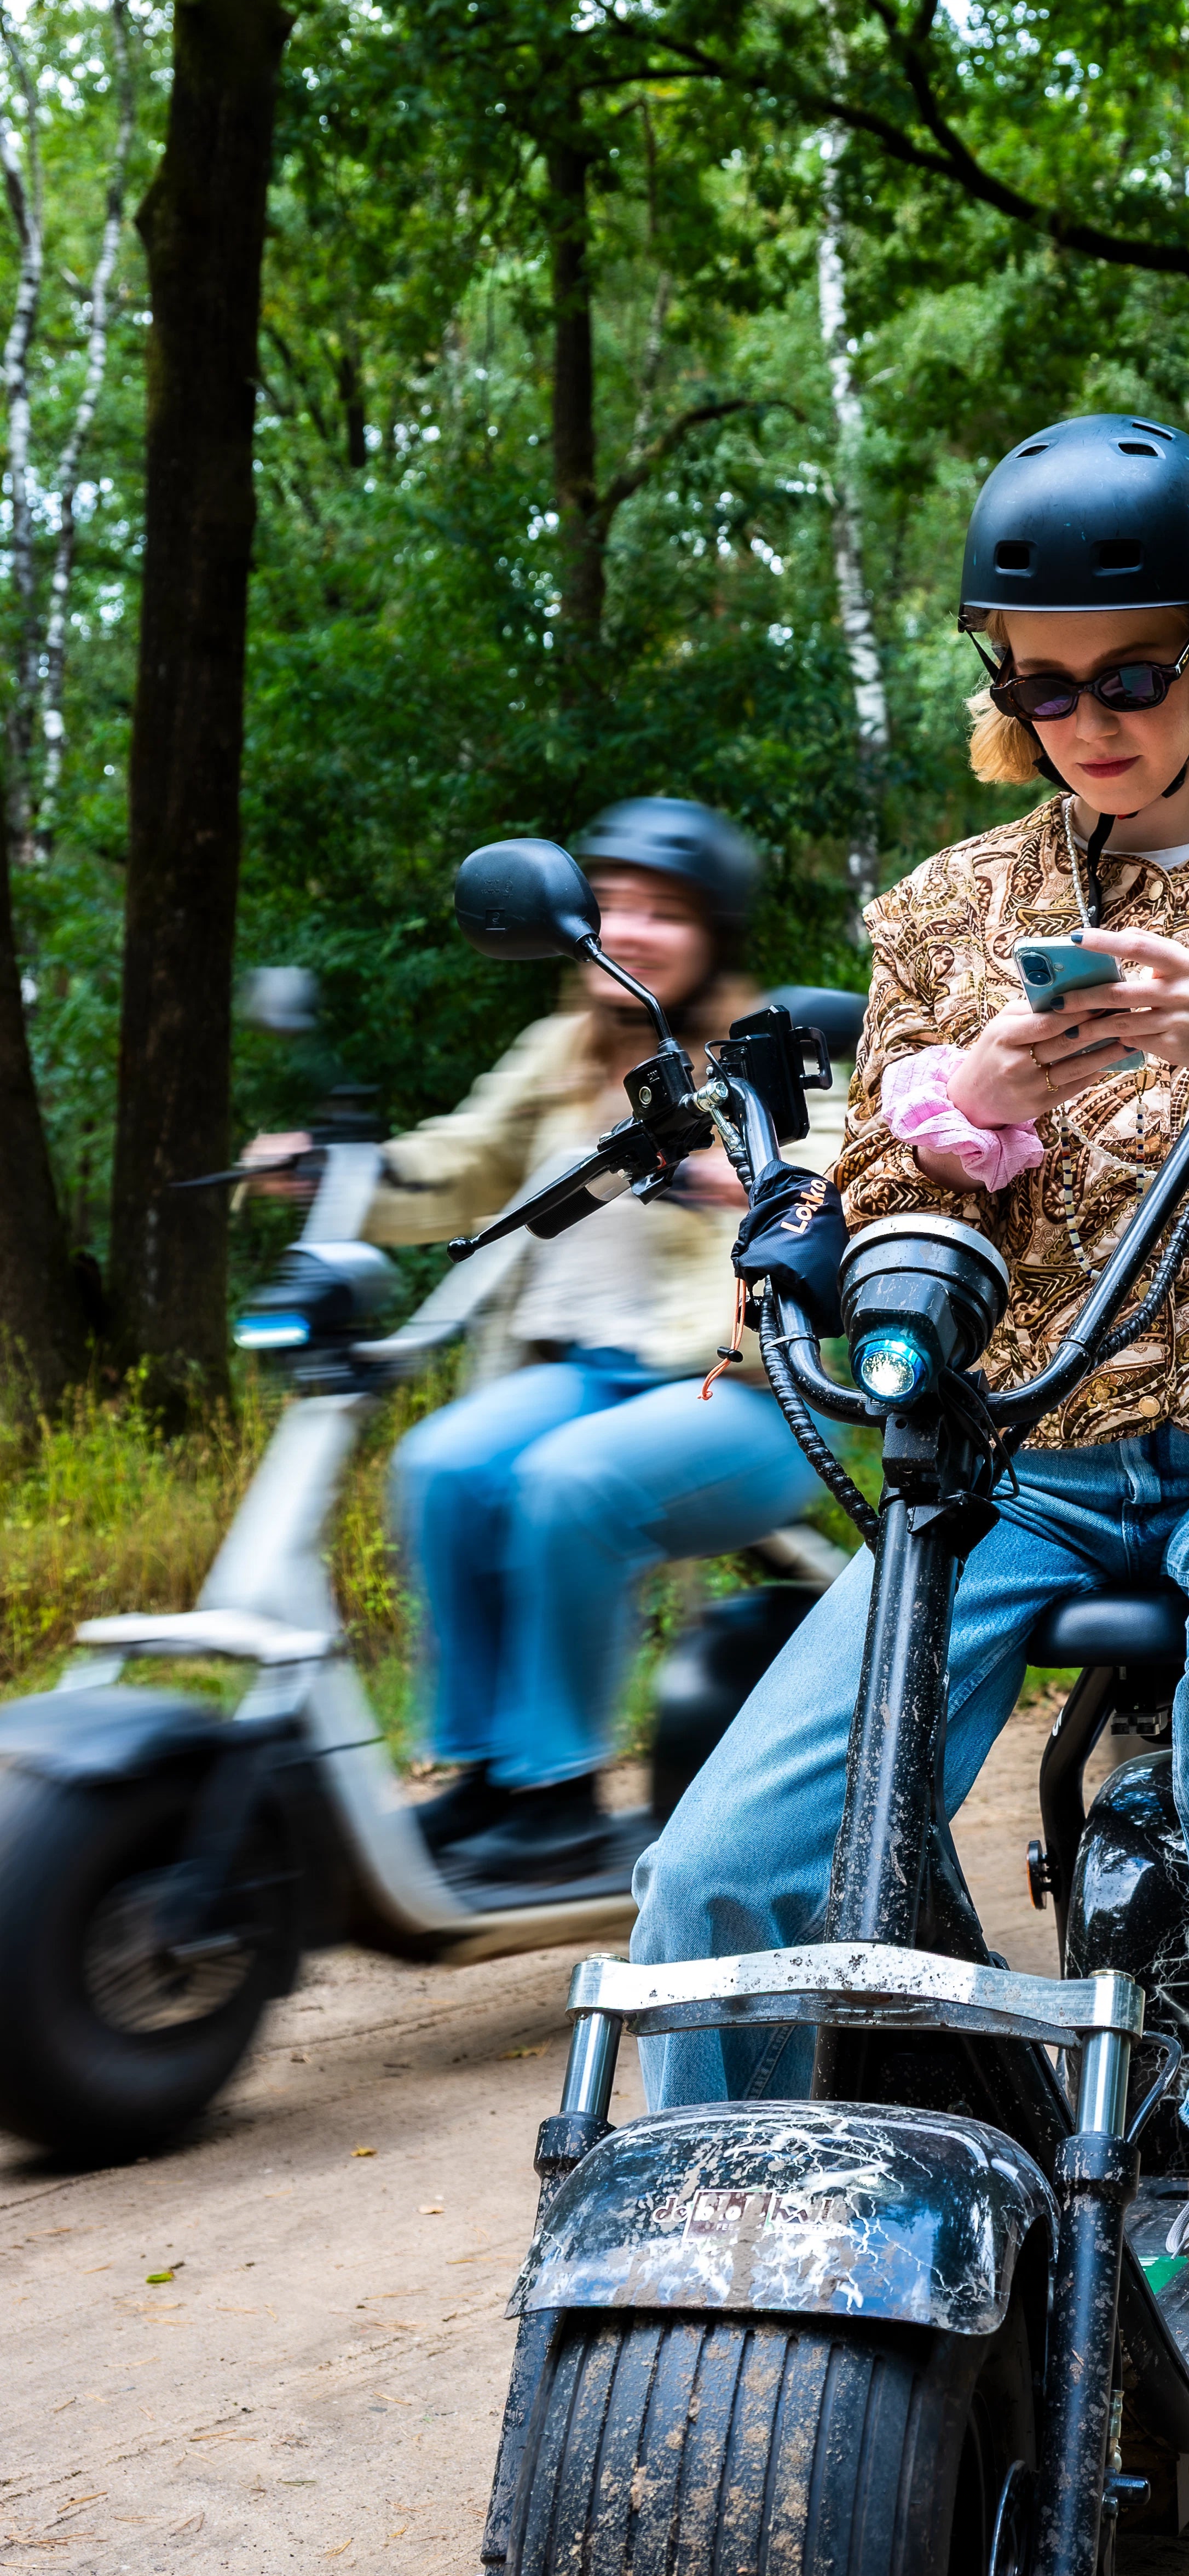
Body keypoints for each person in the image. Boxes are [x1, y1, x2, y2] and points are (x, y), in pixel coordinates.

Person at [631, 412, 1189, 2341]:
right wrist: (961, 1102)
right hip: (1015, 1466)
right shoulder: (954, 907)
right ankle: (695, 2266)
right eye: (1039, 685)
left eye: (1130, 673)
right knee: (721, 1872)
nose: (1086, 719)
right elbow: (841, 1188)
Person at [246, 799, 837, 1878]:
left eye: (668, 909)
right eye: (615, 902)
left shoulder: (772, 1047)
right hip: (582, 1374)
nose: (636, 927)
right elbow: (458, 1163)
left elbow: (838, 1178)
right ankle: (483, 1777)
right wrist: (335, 1170)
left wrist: (739, 1176)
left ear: (716, 933)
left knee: (571, 1483)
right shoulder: (556, 1051)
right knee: (443, 1465)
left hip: (746, 1397)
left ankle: (561, 1793)